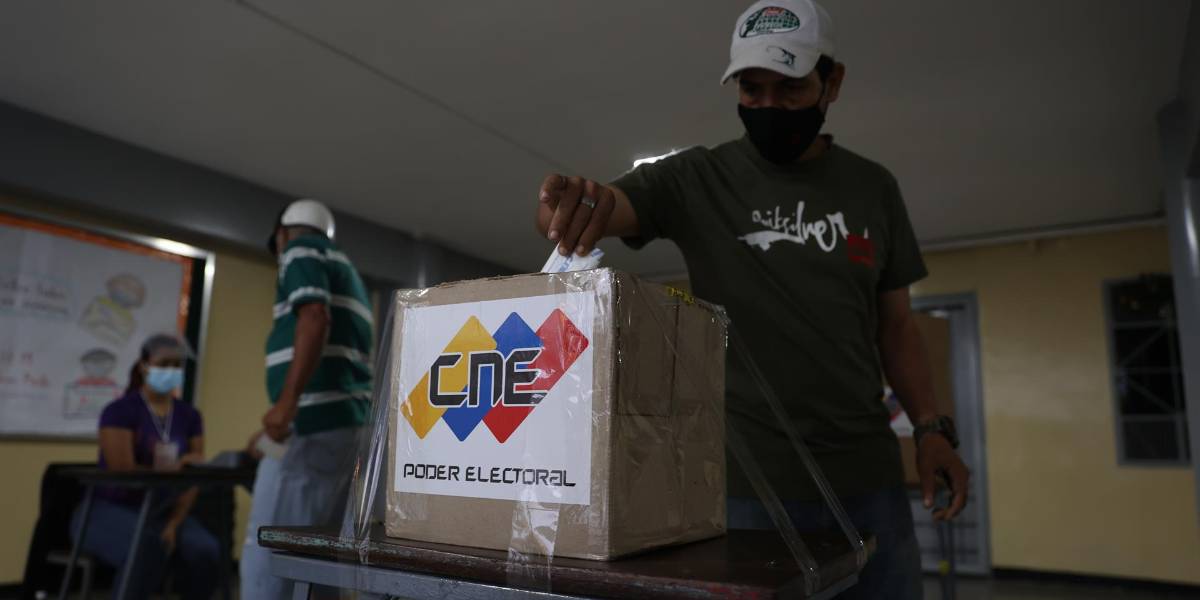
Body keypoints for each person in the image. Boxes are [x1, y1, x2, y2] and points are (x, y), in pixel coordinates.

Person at [533, 1, 969, 597]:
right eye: (751, 90)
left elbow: (897, 327)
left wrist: (930, 429)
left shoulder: (872, 188)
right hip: (747, 489)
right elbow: (600, 208)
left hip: (867, 480)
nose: (768, 106)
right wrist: (568, 206)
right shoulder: (697, 179)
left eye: (789, 89)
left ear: (832, 83)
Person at [240, 198, 374, 600]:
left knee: (270, 551)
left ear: (281, 235)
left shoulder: (301, 249)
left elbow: (314, 316)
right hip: (348, 428)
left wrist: (286, 407)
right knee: (319, 557)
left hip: (312, 427)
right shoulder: (348, 272)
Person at [70, 334, 218, 600]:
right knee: (147, 547)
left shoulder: (190, 416)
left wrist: (174, 522)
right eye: (164, 364)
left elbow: (194, 474)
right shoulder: (119, 411)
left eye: (177, 365)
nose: (171, 371)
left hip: (163, 511)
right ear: (144, 366)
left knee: (205, 550)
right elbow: (122, 470)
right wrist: (177, 467)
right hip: (109, 509)